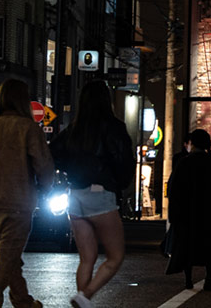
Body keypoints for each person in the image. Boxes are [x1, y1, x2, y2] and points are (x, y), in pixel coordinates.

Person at [49, 80, 135, 308]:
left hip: (75, 195)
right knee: (115, 256)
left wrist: (68, 172)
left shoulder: (73, 129)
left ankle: (81, 299)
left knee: (86, 258)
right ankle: (85, 296)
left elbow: (52, 154)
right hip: (100, 193)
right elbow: (123, 161)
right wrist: (120, 185)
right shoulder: (114, 127)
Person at [0, 79, 55, 308]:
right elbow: (43, 163)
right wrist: (47, 187)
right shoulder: (27, 128)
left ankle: (23, 301)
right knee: (8, 255)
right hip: (19, 199)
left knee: (8, 255)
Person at [165, 129, 211, 290]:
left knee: (187, 248)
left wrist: (173, 215)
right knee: (209, 247)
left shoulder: (184, 163)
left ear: (192, 143)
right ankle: (208, 276)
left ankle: (188, 279)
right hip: (210, 214)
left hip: (187, 214)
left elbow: (173, 191)